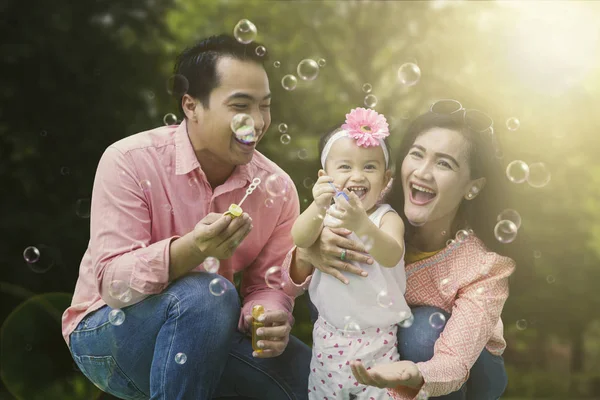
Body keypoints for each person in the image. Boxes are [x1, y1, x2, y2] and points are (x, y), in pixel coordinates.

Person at [61, 34, 311, 400]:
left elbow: (267, 286)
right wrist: (192, 248)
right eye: (241, 106)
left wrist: (267, 315)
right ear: (191, 106)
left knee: (306, 373)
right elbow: (113, 285)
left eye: (266, 106)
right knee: (208, 296)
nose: (257, 123)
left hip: (207, 333)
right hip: (105, 335)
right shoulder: (129, 161)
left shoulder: (278, 188)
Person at [281, 99, 516, 400]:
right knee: (337, 278)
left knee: (422, 331)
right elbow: (292, 270)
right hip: (359, 343)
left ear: (473, 186)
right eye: (416, 155)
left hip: (461, 367)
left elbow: (454, 361)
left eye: (444, 163)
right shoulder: (367, 195)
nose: (423, 172)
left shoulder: (485, 266)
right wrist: (311, 250)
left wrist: (416, 375)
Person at [290, 108, 409, 399]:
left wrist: (361, 224)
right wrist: (318, 207)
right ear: (325, 176)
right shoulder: (324, 214)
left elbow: (391, 254)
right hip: (329, 339)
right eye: (345, 167)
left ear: (386, 178)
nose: (357, 176)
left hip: (377, 342)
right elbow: (300, 238)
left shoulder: (385, 218)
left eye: (370, 167)